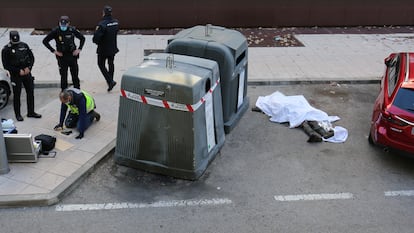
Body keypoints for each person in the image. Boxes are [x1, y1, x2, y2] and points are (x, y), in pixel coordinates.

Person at [1, 31, 41, 121]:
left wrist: (29, 68)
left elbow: (31, 58)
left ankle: (31, 112)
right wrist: (18, 71)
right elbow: (6, 65)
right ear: (10, 39)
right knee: (17, 95)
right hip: (16, 75)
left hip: (27, 73)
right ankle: (18, 114)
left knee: (30, 92)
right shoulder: (6, 50)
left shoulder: (24, 45)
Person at [43, 16, 85, 91]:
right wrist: (54, 51)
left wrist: (79, 49)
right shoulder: (56, 31)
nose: (63, 26)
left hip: (72, 55)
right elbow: (45, 41)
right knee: (63, 75)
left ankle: (77, 89)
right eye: (61, 24)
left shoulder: (72, 30)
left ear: (68, 23)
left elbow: (82, 38)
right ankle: (64, 91)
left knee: (75, 74)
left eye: (64, 25)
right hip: (62, 56)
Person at [92, 5, 119, 92]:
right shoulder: (116, 22)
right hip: (113, 47)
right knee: (111, 63)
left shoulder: (101, 25)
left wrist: (97, 41)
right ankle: (111, 79)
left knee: (101, 64)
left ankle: (110, 81)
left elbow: (96, 38)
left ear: (103, 13)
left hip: (103, 49)